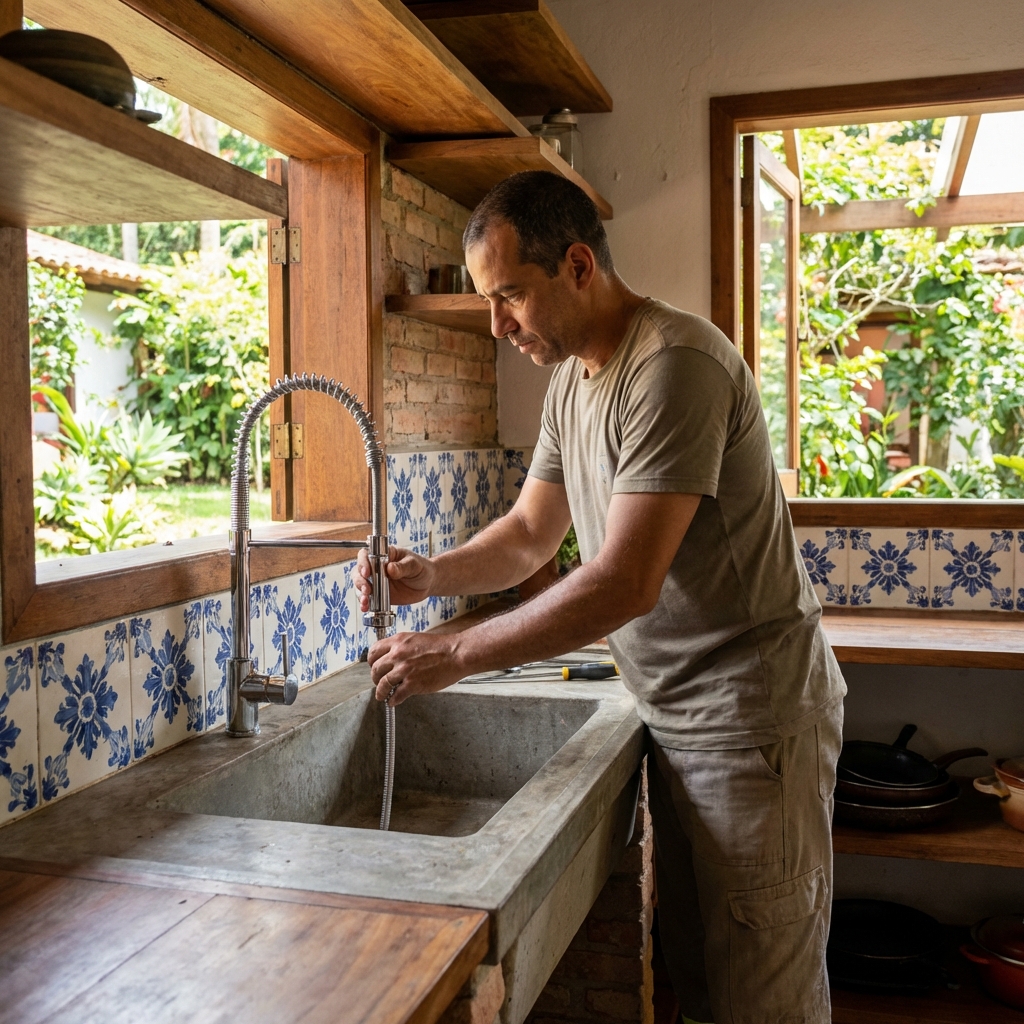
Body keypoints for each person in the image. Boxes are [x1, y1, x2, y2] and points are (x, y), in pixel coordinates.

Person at [355, 170, 846, 1024]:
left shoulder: (674, 366)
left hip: (751, 723)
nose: (500, 325)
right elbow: (529, 536)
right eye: (487, 302)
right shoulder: (575, 380)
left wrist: (458, 652)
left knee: (762, 999)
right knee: (704, 979)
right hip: (680, 714)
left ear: (578, 265)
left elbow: (624, 579)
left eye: (510, 296)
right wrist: (430, 573)